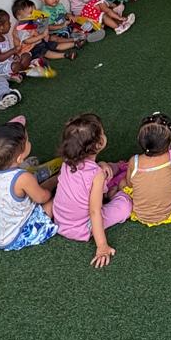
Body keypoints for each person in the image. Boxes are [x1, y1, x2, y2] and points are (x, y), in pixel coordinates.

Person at [53, 113, 131, 266]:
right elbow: (94, 212)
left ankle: (114, 174)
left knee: (106, 167)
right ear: (99, 144)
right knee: (125, 206)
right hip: (81, 227)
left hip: (60, 220)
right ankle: (115, 193)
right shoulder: (96, 174)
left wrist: (101, 166)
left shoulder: (67, 162)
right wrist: (102, 246)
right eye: (103, 133)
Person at [0, 122, 58, 252]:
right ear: (20, 158)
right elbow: (42, 198)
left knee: (34, 189)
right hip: (16, 236)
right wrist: (55, 190)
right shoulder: (23, 178)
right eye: (28, 141)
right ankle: (58, 179)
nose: (29, 142)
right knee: (54, 201)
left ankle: (52, 178)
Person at [126, 112, 171, 227]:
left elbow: (129, 185)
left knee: (122, 183)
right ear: (170, 143)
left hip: (141, 214)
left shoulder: (134, 161)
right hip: (170, 212)